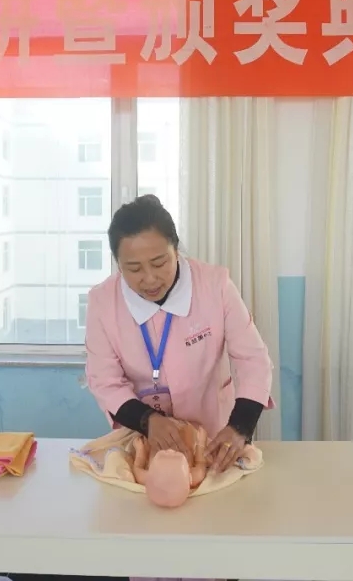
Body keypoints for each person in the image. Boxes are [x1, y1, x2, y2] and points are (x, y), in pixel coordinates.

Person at [83, 194, 275, 476]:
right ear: (118, 264)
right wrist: (147, 421)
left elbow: (253, 360)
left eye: (159, 262)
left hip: (215, 438)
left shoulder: (215, 286)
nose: (149, 278)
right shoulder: (102, 302)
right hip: (144, 439)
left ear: (176, 249)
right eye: (133, 268)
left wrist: (240, 426)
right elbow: (105, 381)